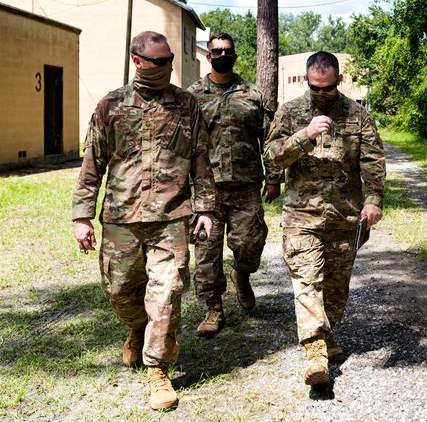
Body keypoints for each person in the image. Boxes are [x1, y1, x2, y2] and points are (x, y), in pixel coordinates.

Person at [72, 31, 216, 410]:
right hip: (121, 218)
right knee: (119, 291)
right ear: (138, 61)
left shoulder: (187, 105)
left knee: (167, 293)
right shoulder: (110, 106)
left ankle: (158, 371)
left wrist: (205, 208)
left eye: (171, 60)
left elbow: (201, 159)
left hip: (172, 217)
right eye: (160, 61)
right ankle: (138, 328)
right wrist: (82, 216)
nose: (169, 67)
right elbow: (92, 166)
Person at [263, 51, 386, 387]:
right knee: (307, 282)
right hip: (302, 217)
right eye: (314, 88)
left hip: (345, 217)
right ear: (306, 81)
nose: (320, 94)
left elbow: (373, 161)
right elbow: (272, 158)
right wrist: (305, 136)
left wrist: (373, 199)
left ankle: (327, 334)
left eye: (327, 88)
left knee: (335, 290)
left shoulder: (357, 115)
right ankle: (315, 352)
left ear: (338, 81)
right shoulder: (290, 112)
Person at [187, 33, 281, 338]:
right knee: (206, 255)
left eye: (227, 51)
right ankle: (213, 309)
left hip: (246, 186)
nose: (222, 55)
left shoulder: (253, 94)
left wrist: (274, 177)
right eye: (217, 51)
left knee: (250, 245)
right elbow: (182, 144)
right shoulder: (192, 97)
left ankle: (242, 274)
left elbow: (270, 139)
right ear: (208, 56)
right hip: (206, 191)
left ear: (235, 56)